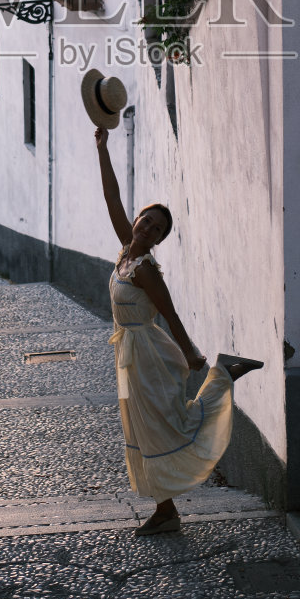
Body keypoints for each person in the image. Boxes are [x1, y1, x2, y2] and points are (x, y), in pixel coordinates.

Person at [95, 125, 262, 537]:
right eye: (146, 222)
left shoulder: (145, 268)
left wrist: (190, 354)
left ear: (161, 240)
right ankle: (165, 509)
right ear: (136, 221)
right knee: (142, 429)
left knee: (167, 426)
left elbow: (169, 312)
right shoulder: (125, 251)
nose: (148, 230)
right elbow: (112, 197)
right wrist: (103, 148)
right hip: (129, 356)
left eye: (157, 231)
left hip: (149, 355)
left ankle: (222, 375)